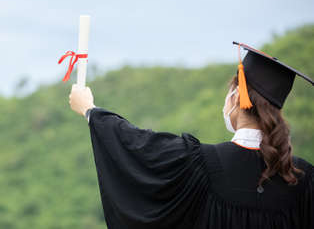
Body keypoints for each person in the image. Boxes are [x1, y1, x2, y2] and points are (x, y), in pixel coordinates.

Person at [68, 42, 313, 229]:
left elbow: (139, 146)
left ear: (237, 97)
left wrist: (90, 110)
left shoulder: (199, 163)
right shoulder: (305, 180)